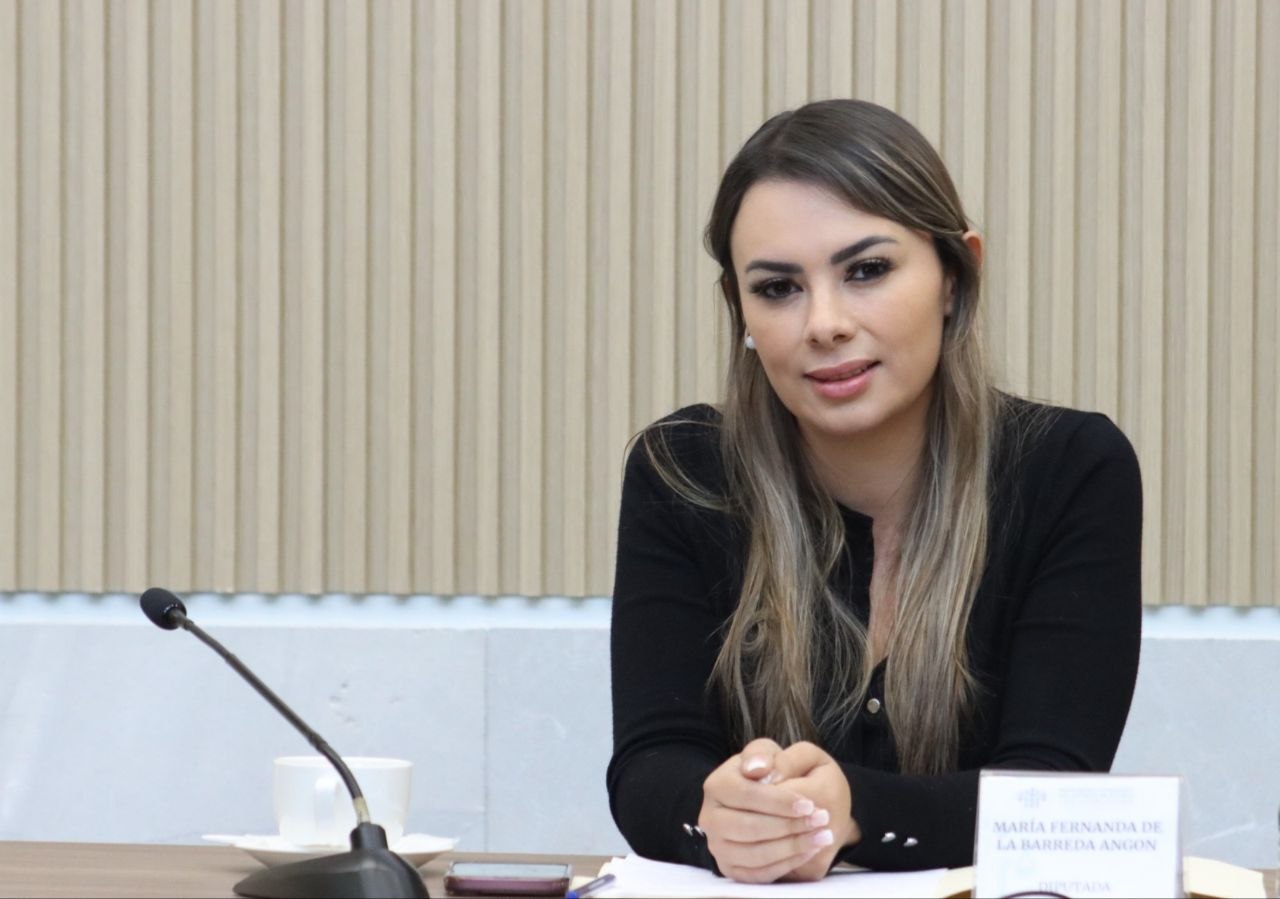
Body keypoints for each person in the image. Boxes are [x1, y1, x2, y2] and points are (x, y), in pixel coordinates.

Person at [606, 99, 1142, 882]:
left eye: (867, 270)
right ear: (741, 311)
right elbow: (651, 765)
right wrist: (717, 811)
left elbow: (1052, 791)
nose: (823, 323)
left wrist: (854, 810)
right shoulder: (683, 471)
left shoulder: (1070, 469)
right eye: (778, 288)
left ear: (956, 275)